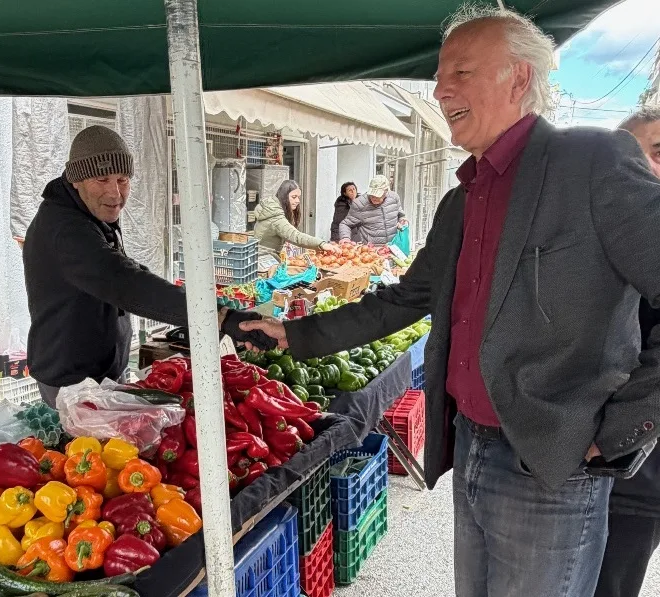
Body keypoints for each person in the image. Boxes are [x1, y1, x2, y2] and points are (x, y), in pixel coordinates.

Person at [241, 7, 660, 597]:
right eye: (441, 75)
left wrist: (620, 430)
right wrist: (296, 334)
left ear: (518, 79)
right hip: (472, 445)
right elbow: (405, 299)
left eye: (461, 71)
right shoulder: (462, 199)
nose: (440, 89)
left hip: (553, 462)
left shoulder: (593, 162)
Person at [23, 125, 273, 407]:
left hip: (100, 372)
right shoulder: (65, 229)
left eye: (123, 179)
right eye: (102, 179)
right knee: (83, 452)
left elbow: (123, 270)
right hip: (72, 381)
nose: (116, 193)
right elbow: (124, 281)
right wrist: (220, 316)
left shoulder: (88, 214)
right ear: (76, 179)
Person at [594, 106, 660, 597]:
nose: (640, 169)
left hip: (640, 472)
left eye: (655, 154)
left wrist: (613, 438)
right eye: (628, 156)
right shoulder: (605, 239)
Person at [253, 180, 337, 254]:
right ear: (284, 196)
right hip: (264, 259)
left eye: (298, 197)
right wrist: (321, 244)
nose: (297, 201)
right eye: (294, 197)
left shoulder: (272, 208)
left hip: (262, 256)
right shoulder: (275, 217)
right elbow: (296, 236)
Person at [338, 175, 406, 245]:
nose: (373, 197)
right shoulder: (359, 204)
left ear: (386, 192)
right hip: (372, 250)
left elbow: (400, 214)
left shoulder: (394, 197)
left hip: (394, 246)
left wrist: (402, 221)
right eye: (372, 194)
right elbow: (345, 224)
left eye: (377, 195)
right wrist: (345, 238)